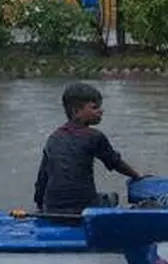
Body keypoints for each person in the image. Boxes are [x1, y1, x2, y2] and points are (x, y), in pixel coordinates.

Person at [34, 83, 144, 214]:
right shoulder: (94, 136)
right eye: (95, 107)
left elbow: (42, 178)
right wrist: (137, 176)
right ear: (76, 112)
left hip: (52, 209)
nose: (101, 110)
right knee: (112, 198)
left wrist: (41, 207)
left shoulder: (53, 138)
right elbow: (115, 163)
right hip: (83, 210)